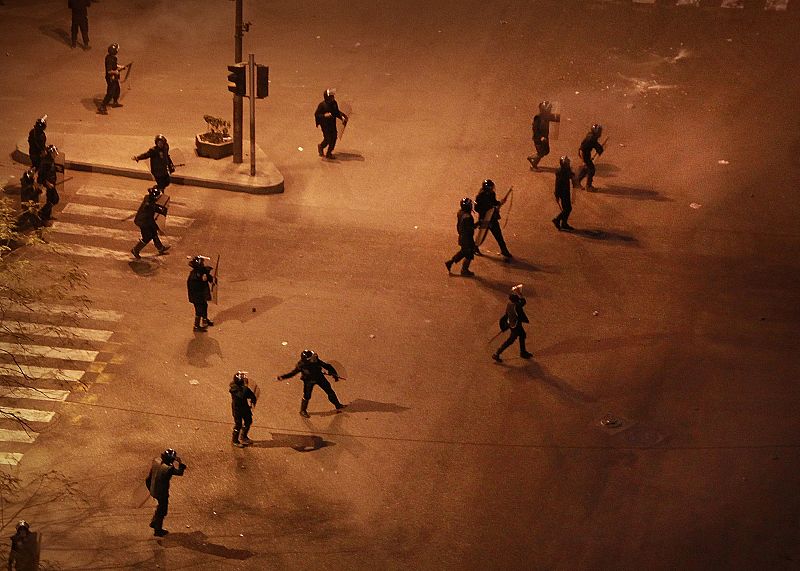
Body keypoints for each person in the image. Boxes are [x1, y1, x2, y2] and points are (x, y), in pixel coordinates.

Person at [277, 350, 345, 418]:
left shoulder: (315, 360)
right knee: (307, 396)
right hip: (308, 381)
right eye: (311, 357)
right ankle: (303, 410)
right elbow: (292, 373)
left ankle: (337, 405)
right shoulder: (301, 365)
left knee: (330, 391)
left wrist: (334, 373)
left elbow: (327, 366)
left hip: (320, 378)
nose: (314, 357)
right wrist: (283, 377)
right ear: (307, 360)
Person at [145, 449, 186, 537]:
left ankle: (154, 522)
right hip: (162, 492)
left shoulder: (156, 462)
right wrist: (181, 464)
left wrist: (150, 489)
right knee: (162, 510)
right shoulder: (168, 469)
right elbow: (180, 472)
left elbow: (148, 479)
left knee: (160, 506)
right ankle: (158, 530)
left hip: (153, 489)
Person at [493, 284, 533, 362]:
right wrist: (520, 294)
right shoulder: (517, 306)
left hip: (513, 324)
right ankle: (497, 353)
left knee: (522, 335)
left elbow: (507, 315)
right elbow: (523, 301)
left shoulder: (509, 304)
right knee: (511, 340)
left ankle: (523, 352)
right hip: (516, 326)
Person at [474, 179, 512, 259]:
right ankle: (475, 247)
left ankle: (504, 250)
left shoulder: (492, 194)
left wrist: (499, 203)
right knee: (481, 235)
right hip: (485, 218)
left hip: (492, 218)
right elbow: (477, 208)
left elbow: (494, 202)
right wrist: (488, 208)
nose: (492, 189)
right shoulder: (480, 197)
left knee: (498, 235)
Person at [131, 186, 170, 258]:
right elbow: (151, 219)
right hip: (143, 222)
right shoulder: (150, 206)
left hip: (142, 219)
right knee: (147, 237)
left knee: (153, 232)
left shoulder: (147, 198)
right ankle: (135, 250)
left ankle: (160, 248)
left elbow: (153, 206)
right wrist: (158, 227)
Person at [445, 197, 477, 277]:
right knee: (469, 254)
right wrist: (478, 224)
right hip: (467, 238)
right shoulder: (468, 217)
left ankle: (450, 262)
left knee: (464, 252)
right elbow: (470, 228)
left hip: (463, 237)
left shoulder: (460, 213)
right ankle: (464, 269)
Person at [314, 89, 348, 159]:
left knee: (334, 138)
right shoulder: (322, 105)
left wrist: (342, 117)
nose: (333, 98)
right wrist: (324, 116)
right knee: (328, 139)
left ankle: (329, 153)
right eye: (331, 97)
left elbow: (336, 112)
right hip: (325, 125)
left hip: (332, 124)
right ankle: (321, 146)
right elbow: (317, 115)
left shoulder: (334, 103)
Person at [527, 100, 560, 170]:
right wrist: (540, 137)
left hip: (545, 137)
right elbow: (535, 130)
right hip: (538, 139)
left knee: (546, 151)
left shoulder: (546, 116)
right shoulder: (538, 118)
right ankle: (534, 165)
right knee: (541, 153)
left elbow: (555, 118)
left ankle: (532, 157)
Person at [187, 255, 215, 331]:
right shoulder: (194, 276)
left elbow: (207, 275)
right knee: (199, 310)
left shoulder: (201, 271)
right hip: (196, 296)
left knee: (205, 306)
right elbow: (195, 287)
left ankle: (205, 320)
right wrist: (201, 279)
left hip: (201, 295)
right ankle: (196, 326)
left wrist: (211, 279)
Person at [230, 371, 257, 447]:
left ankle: (244, 436)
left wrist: (253, 399)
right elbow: (242, 395)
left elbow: (249, 394)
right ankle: (235, 440)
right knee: (238, 424)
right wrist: (245, 385)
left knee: (248, 421)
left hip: (245, 407)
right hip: (237, 410)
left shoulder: (243, 387)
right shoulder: (233, 389)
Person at [98, 43, 127, 115]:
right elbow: (109, 71)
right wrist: (116, 72)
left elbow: (115, 65)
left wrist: (121, 67)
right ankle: (102, 106)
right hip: (111, 78)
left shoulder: (113, 57)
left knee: (117, 89)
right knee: (110, 93)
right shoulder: (109, 59)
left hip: (114, 77)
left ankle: (115, 102)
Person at [575, 124, 604, 191]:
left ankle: (577, 181)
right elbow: (582, 150)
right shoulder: (591, 138)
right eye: (599, 131)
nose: (600, 133)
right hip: (584, 153)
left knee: (587, 168)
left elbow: (595, 145)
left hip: (586, 153)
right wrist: (583, 161)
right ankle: (588, 186)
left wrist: (599, 148)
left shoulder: (593, 137)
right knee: (591, 169)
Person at [37, 145, 60, 222]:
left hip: (51, 183)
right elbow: (42, 175)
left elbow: (50, 170)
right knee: (55, 199)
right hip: (49, 184)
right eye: (54, 153)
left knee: (50, 199)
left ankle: (46, 216)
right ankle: (42, 212)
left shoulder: (50, 160)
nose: (55, 155)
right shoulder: (46, 162)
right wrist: (47, 183)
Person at [552, 156, 575, 231]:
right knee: (567, 208)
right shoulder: (561, 172)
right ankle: (557, 219)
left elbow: (570, 174)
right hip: (563, 192)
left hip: (566, 191)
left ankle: (564, 223)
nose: (569, 164)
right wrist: (557, 194)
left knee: (567, 208)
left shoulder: (566, 170)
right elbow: (558, 184)